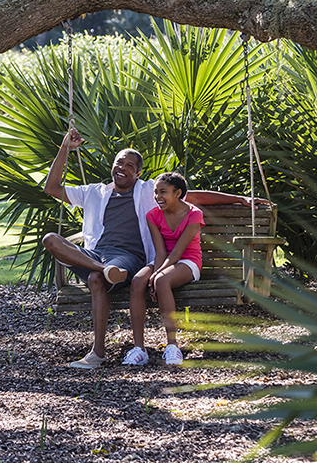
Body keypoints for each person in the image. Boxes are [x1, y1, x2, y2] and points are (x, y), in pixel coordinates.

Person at [43, 128, 264, 369]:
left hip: (128, 258)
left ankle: (97, 352)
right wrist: (65, 148)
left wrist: (239, 199)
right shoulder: (94, 192)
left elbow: (192, 197)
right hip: (96, 255)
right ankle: (103, 269)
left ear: (138, 173)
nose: (122, 168)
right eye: (119, 163)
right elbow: (51, 188)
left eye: (129, 165)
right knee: (51, 239)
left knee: (96, 280)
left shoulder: (149, 190)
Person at [123, 172, 202, 367]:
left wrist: (158, 275)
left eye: (163, 192)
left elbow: (178, 252)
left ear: (178, 193)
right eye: (155, 192)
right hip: (165, 260)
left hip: (188, 261)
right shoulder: (153, 215)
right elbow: (160, 251)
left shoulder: (194, 214)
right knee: (138, 281)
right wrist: (155, 271)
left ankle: (172, 346)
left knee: (162, 281)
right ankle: (139, 349)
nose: (157, 197)